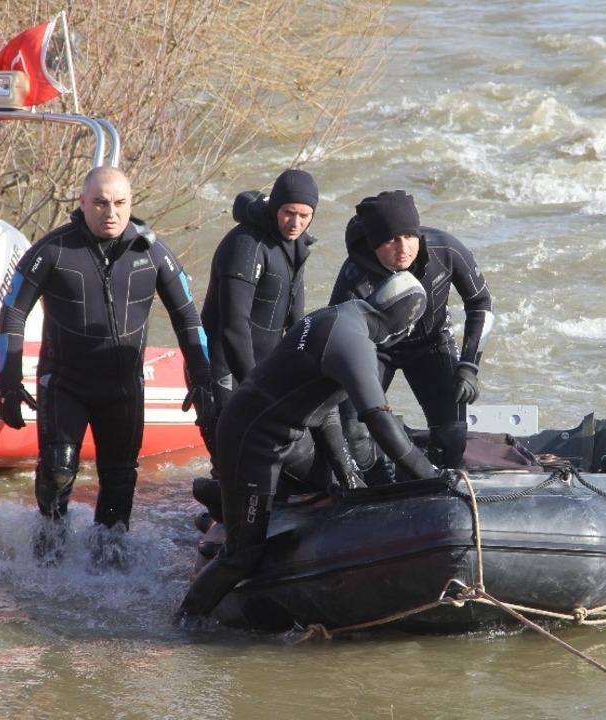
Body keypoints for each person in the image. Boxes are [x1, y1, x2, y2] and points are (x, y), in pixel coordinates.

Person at [179, 271, 443, 619]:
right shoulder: (354, 341)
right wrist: (432, 477)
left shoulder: (343, 317)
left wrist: (346, 469)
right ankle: (185, 622)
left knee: (338, 490)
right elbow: (378, 419)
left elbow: (325, 406)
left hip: (286, 431)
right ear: (403, 323)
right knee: (243, 554)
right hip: (252, 440)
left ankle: (220, 495)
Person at [0, 166, 215, 546]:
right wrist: (8, 381)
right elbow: (13, 311)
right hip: (65, 384)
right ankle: (50, 549)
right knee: (58, 470)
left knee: (120, 478)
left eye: (119, 203)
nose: (109, 212)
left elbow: (187, 317)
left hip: (123, 388)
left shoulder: (153, 252)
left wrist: (202, 378)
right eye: (99, 203)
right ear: (82, 203)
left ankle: (108, 559)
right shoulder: (53, 250)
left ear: (131, 204)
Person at [329, 190, 493, 474]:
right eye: (391, 239)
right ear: (374, 243)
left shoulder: (447, 250)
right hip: (376, 351)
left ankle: (438, 482)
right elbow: (337, 339)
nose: (403, 247)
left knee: (453, 437)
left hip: (432, 345)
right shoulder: (355, 274)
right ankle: (377, 489)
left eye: (409, 236)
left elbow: (480, 303)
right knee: (355, 436)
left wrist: (469, 367)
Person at [200, 168, 320, 395]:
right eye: (289, 212)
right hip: (224, 368)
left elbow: (296, 323)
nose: (295, 223)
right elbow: (233, 326)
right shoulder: (246, 246)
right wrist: (254, 386)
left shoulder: (296, 246)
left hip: (265, 368)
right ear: (275, 207)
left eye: (304, 216)